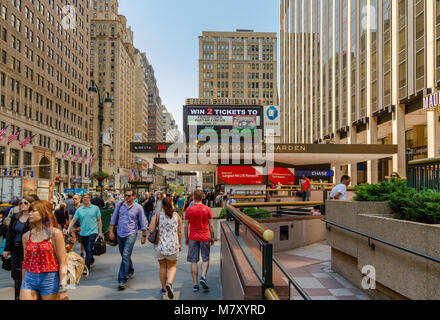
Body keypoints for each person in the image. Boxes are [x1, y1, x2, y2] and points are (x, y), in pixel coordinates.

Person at [20, 201, 67, 300]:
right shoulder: (26, 236)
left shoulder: (55, 233)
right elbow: (26, 262)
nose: (30, 214)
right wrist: (23, 282)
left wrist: (64, 287)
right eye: (29, 211)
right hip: (29, 277)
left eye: (33, 211)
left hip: (50, 278)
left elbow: (63, 262)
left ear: (43, 213)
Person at [109, 189, 147, 291]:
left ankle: (122, 280)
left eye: (129, 196)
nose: (127, 197)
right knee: (124, 255)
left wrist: (144, 235)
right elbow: (113, 218)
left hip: (131, 233)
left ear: (134, 196)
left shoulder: (138, 208)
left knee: (125, 254)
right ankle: (130, 270)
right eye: (125, 195)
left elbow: (142, 222)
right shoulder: (120, 205)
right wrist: (111, 231)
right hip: (120, 233)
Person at [148, 197, 182, 299]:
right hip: (173, 246)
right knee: (172, 266)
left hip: (160, 246)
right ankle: (169, 283)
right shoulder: (177, 216)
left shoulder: (157, 216)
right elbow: (179, 232)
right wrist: (179, 244)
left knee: (162, 267)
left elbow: (150, 230)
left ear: (162, 205)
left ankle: (163, 288)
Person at [2, 196, 35, 300]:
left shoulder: (33, 218)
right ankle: (17, 297)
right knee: (16, 275)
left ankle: (26, 296)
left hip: (27, 250)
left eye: (25, 203)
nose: (22, 205)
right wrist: (6, 249)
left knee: (25, 274)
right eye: (21, 203)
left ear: (31, 205)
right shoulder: (16, 216)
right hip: (15, 249)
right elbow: (9, 233)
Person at [184, 190, 215, 292]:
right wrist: (213, 237)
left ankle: (195, 284)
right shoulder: (207, 209)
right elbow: (211, 225)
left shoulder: (189, 209)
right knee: (205, 259)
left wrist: (186, 238)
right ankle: (203, 276)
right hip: (205, 237)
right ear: (203, 197)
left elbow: (185, 225)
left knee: (194, 261)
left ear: (193, 197)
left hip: (193, 237)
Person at [66, 193, 103, 273]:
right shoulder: (79, 210)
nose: (86, 199)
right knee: (87, 250)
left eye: (87, 197)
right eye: (84, 198)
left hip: (93, 231)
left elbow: (99, 220)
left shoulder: (95, 208)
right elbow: (73, 220)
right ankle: (91, 259)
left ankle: (86, 267)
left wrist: (100, 232)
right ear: (82, 199)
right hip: (83, 233)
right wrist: (68, 228)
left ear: (90, 199)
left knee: (89, 248)